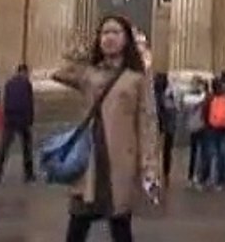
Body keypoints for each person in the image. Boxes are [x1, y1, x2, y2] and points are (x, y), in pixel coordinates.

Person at [53, 15, 161, 242]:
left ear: (126, 40)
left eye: (115, 33)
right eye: (104, 33)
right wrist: (83, 50)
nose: (109, 38)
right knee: (77, 225)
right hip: (89, 159)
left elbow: (147, 123)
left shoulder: (137, 78)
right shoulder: (89, 73)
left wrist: (149, 165)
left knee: (120, 226)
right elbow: (60, 71)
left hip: (120, 161)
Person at [0, 64, 35, 183]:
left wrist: (4, 117)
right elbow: (29, 103)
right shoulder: (27, 84)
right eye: (27, 73)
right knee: (27, 147)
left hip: (10, 118)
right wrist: (30, 119)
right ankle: (29, 174)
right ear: (25, 72)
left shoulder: (9, 83)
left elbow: (5, 101)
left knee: (4, 147)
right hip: (22, 118)